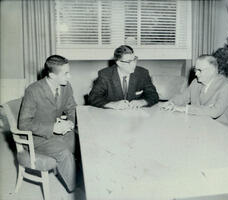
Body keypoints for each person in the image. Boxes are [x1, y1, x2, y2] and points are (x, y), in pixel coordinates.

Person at [19, 55, 77, 192]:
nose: (69, 76)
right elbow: (24, 124)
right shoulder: (33, 91)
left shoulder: (66, 86)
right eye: (66, 73)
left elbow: (72, 108)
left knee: (84, 144)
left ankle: (82, 179)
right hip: (38, 138)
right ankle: (76, 192)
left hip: (59, 132)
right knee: (65, 153)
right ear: (52, 75)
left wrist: (70, 122)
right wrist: (53, 128)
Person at [161, 55, 228, 131]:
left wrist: (185, 109)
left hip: (223, 130)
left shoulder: (227, 86)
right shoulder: (195, 82)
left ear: (212, 71)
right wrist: (171, 103)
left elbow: (215, 112)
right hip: (201, 126)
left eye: (200, 70)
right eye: (195, 69)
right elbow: (183, 97)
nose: (196, 73)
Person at [88, 45, 159, 109]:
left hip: (136, 115)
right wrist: (113, 104)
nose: (133, 64)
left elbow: (153, 95)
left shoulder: (142, 73)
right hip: (112, 116)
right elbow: (93, 98)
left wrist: (142, 102)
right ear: (118, 63)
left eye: (134, 60)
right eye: (129, 61)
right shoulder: (105, 75)